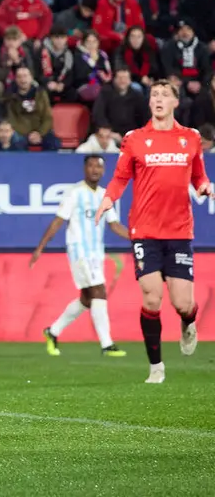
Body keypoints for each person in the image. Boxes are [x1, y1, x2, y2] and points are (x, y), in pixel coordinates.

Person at [96, 81, 212, 383]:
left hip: (179, 231)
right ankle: (156, 367)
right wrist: (107, 200)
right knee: (151, 299)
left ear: (175, 102)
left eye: (164, 95)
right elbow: (120, 178)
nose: (158, 99)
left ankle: (188, 323)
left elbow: (198, 175)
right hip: (145, 231)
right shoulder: (135, 139)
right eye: (154, 95)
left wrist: (204, 186)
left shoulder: (191, 138)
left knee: (182, 304)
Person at [31, 156, 130, 358]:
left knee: (87, 299)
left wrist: (137, 237)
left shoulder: (105, 195)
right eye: (91, 165)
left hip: (96, 253)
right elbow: (58, 221)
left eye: (99, 167)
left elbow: (114, 224)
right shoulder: (75, 193)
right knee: (99, 291)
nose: (95, 170)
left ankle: (53, 331)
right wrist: (40, 247)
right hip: (79, 251)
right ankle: (107, 344)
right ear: (85, 168)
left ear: (103, 171)